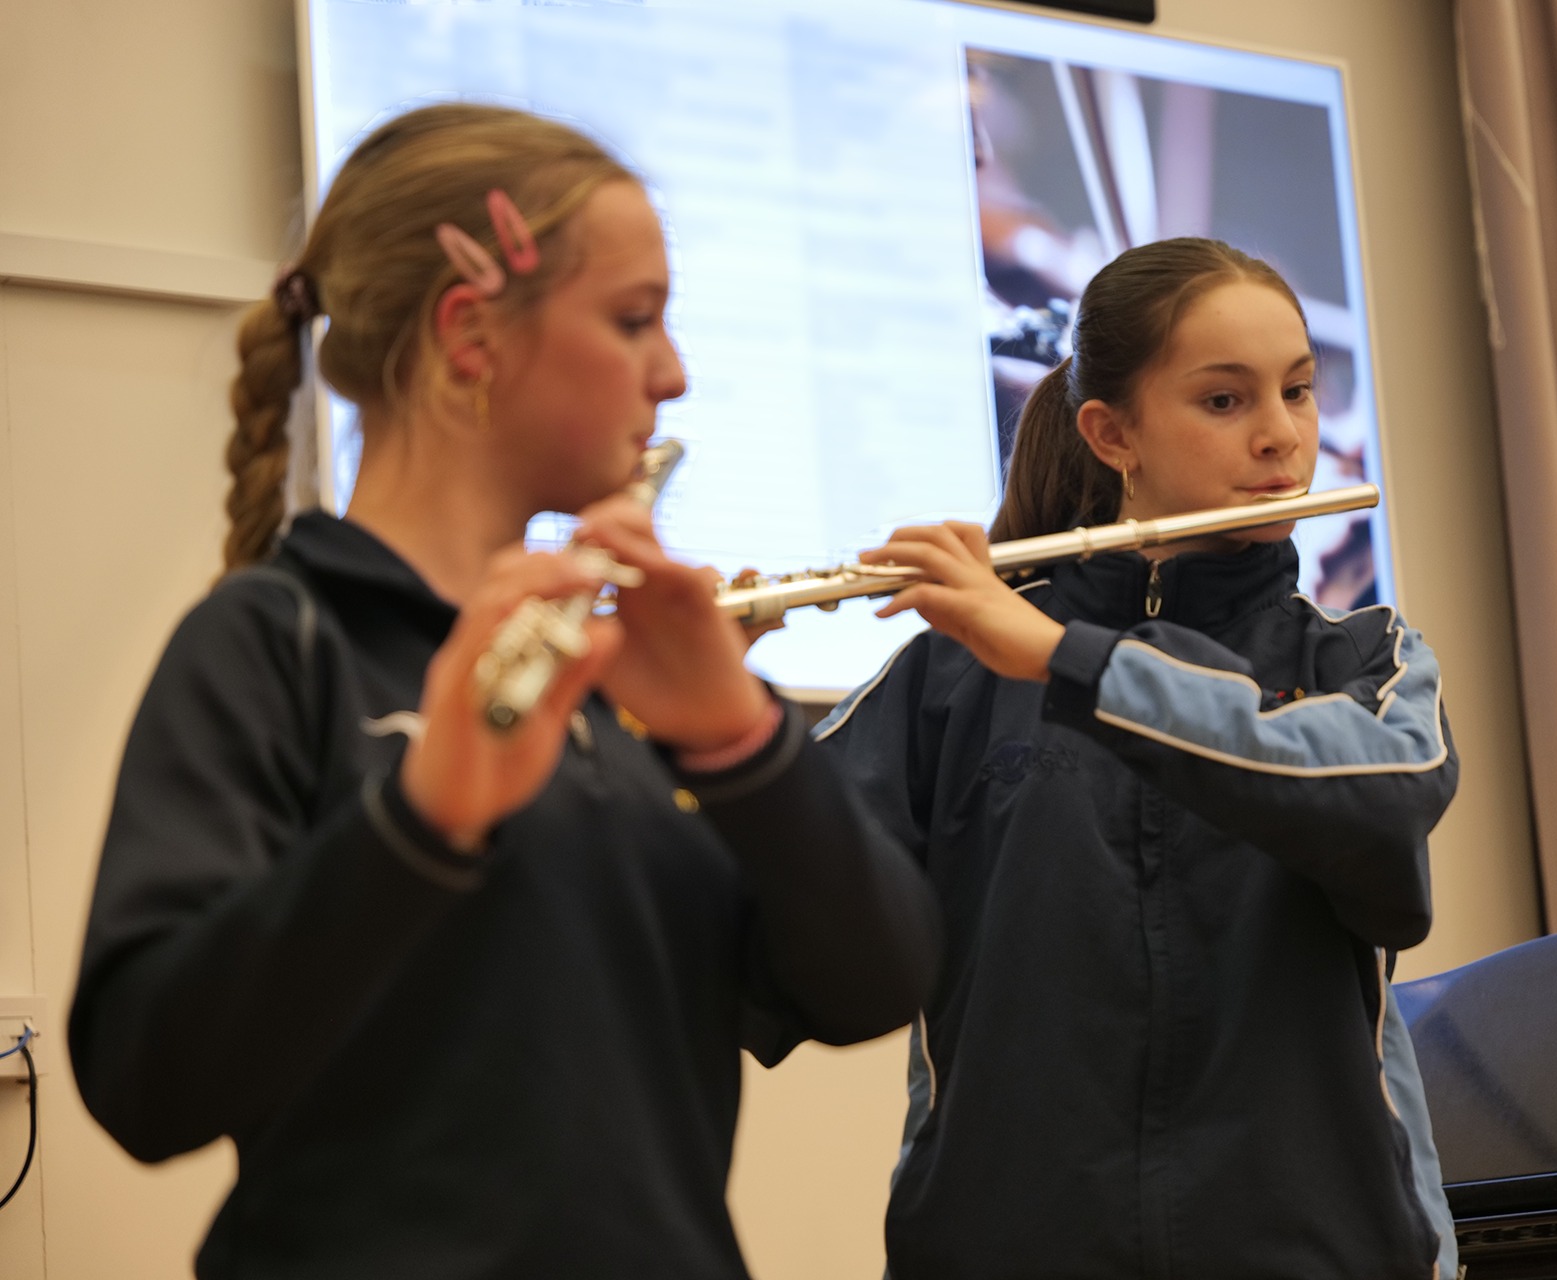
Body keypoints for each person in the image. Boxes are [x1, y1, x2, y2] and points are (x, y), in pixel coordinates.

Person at [69, 103, 939, 1280]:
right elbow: (145, 1078)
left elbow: (872, 984)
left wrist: (744, 740)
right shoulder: (277, 640)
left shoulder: (626, 672)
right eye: (632, 319)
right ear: (471, 334)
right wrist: (419, 820)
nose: (673, 374)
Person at [815, 238, 1462, 1279]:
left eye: (1297, 391)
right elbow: (766, 898)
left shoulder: (1361, 657)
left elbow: (1384, 796)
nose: (1282, 435)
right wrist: (706, 712)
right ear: (1113, 434)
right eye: (1225, 400)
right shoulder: (951, 674)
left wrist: (1070, 661)